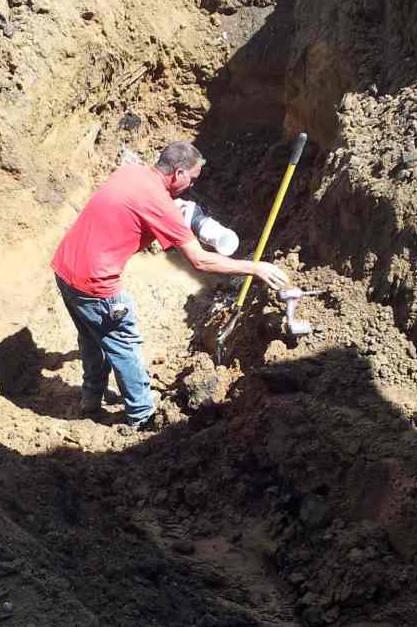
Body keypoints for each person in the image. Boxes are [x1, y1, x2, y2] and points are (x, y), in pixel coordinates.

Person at [50, 141, 289, 432]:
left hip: (65, 269)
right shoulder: (162, 206)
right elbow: (200, 261)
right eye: (191, 178)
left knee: (92, 338)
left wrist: (175, 211)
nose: (191, 185)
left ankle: (90, 401)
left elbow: (141, 204)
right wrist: (254, 267)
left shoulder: (132, 172)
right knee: (124, 345)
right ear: (178, 173)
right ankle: (142, 417)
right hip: (95, 284)